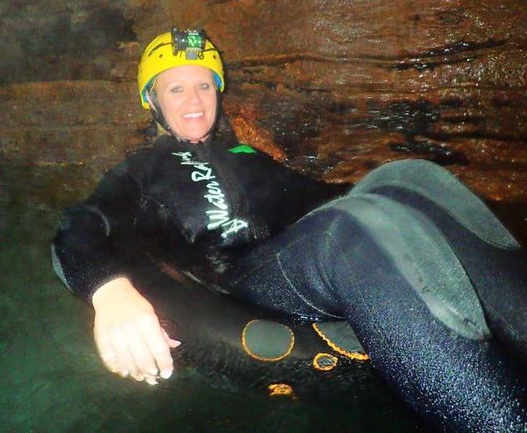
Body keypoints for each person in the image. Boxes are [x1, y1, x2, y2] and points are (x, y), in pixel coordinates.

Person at [52, 28, 527, 432]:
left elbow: (326, 198)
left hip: (293, 265)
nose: (194, 101)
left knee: (407, 177)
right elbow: (80, 224)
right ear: (152, 99)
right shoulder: (139, 170)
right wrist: (108, 291)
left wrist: (391, 194)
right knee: (351, 230)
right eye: (176, 89)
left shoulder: (249, 160)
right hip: (237, 286)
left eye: (204, 86)